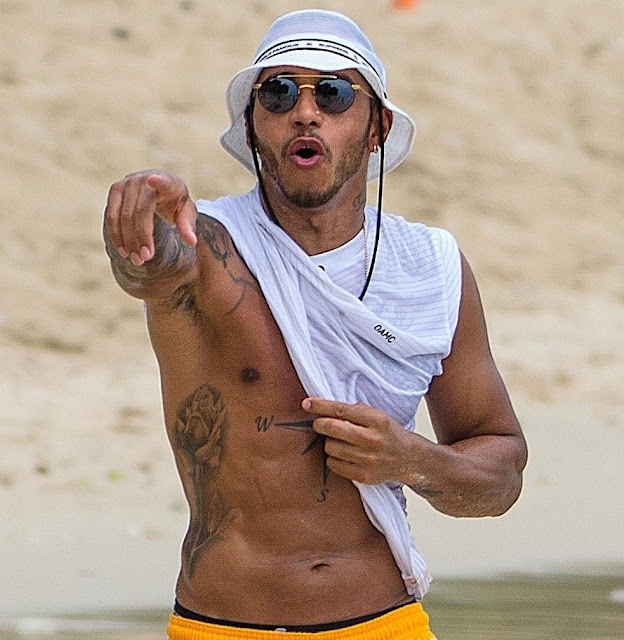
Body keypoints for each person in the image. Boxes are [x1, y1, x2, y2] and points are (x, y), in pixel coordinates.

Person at [103, 9, 527, 640]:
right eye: (278, 94)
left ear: (377, 126)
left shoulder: (432, 268)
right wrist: (137, 226)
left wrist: (411, 460)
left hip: (386, 624)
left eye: (333, 93)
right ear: (253, 126)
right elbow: (151, 268)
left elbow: (502, 472)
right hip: (225, 628)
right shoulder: (207, 246)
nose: (305, 113)